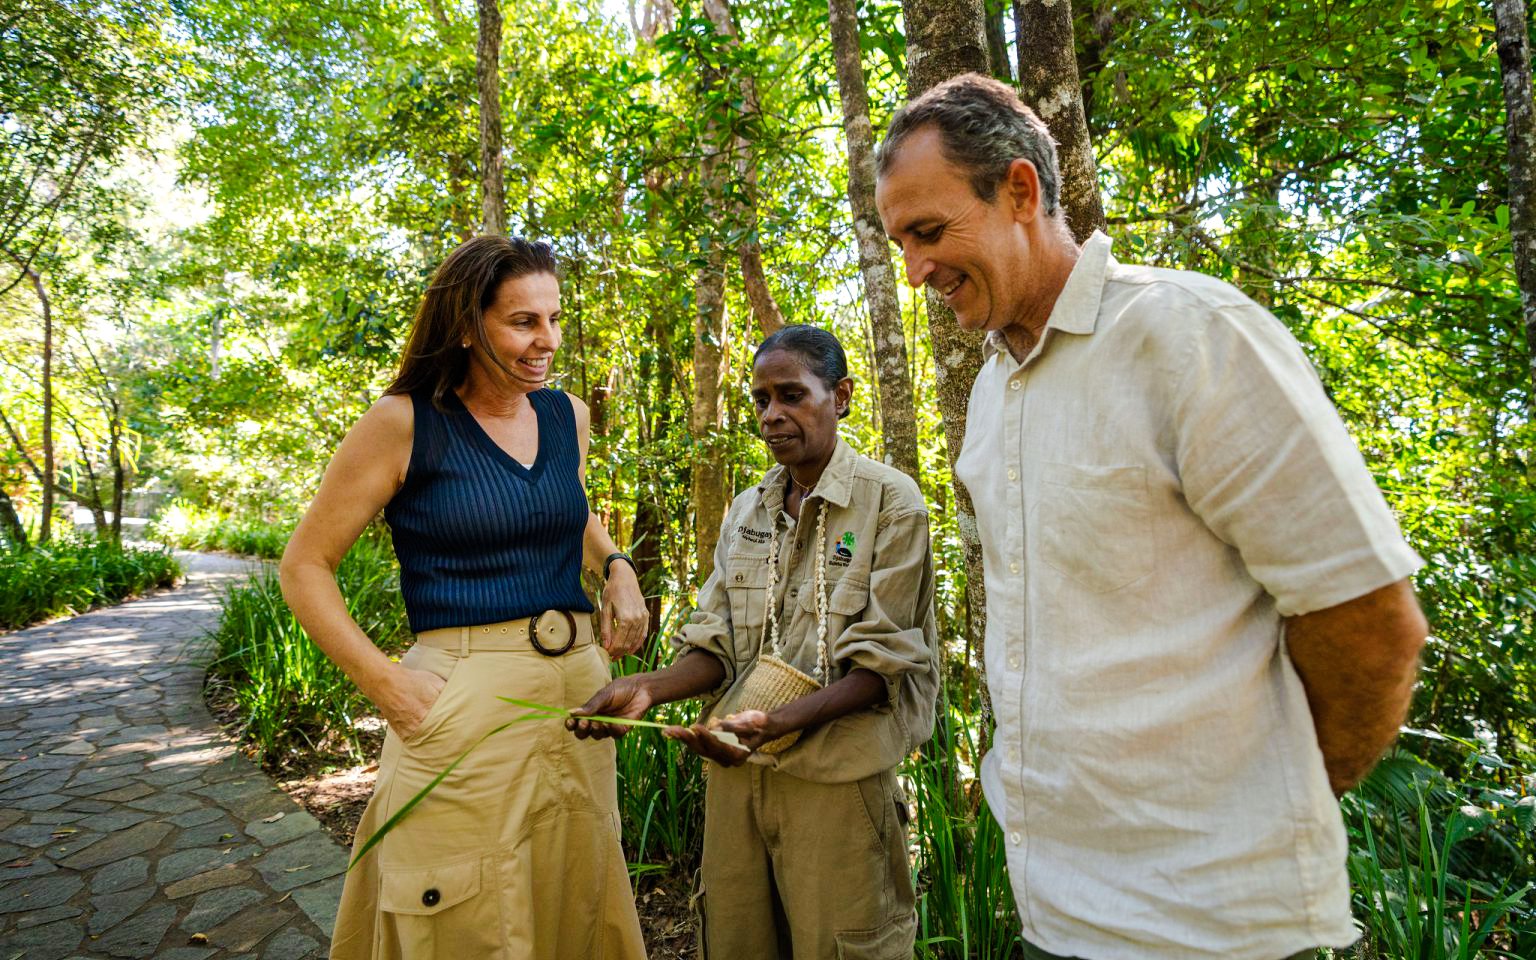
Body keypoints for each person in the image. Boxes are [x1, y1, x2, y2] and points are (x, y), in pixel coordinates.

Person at [873, 74, 1429, 960]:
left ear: (1019, 191)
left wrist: (1259, 817)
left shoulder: (1189, 337)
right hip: (1057, 917)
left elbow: (1369, 620)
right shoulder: (991, 391)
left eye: (930, 232)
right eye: (900, 241)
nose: (915, 269)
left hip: (1217, 928)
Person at [278, 236, 647, 959]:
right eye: (523, 322)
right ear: (467, 324)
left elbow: (562, 509)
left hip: (577, 690)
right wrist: (386, 683)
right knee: (464, 910)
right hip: (461, 693)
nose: (546, 340)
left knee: (574, 894)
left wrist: (617, 566)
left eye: (554, 318)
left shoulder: (563, 415)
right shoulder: (402, 423)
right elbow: (305, 565)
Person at [568, 324, 940, 960]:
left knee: (845, 944)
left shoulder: (890, 503)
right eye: (761, 401)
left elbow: (881, 670)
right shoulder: (749, 510)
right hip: (737, 776)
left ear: (841, 396)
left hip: (837, 783)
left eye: (792, 395)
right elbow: (717, 646)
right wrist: (645, 689)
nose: (772, 416)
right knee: (740, 939)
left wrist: (773, 723)